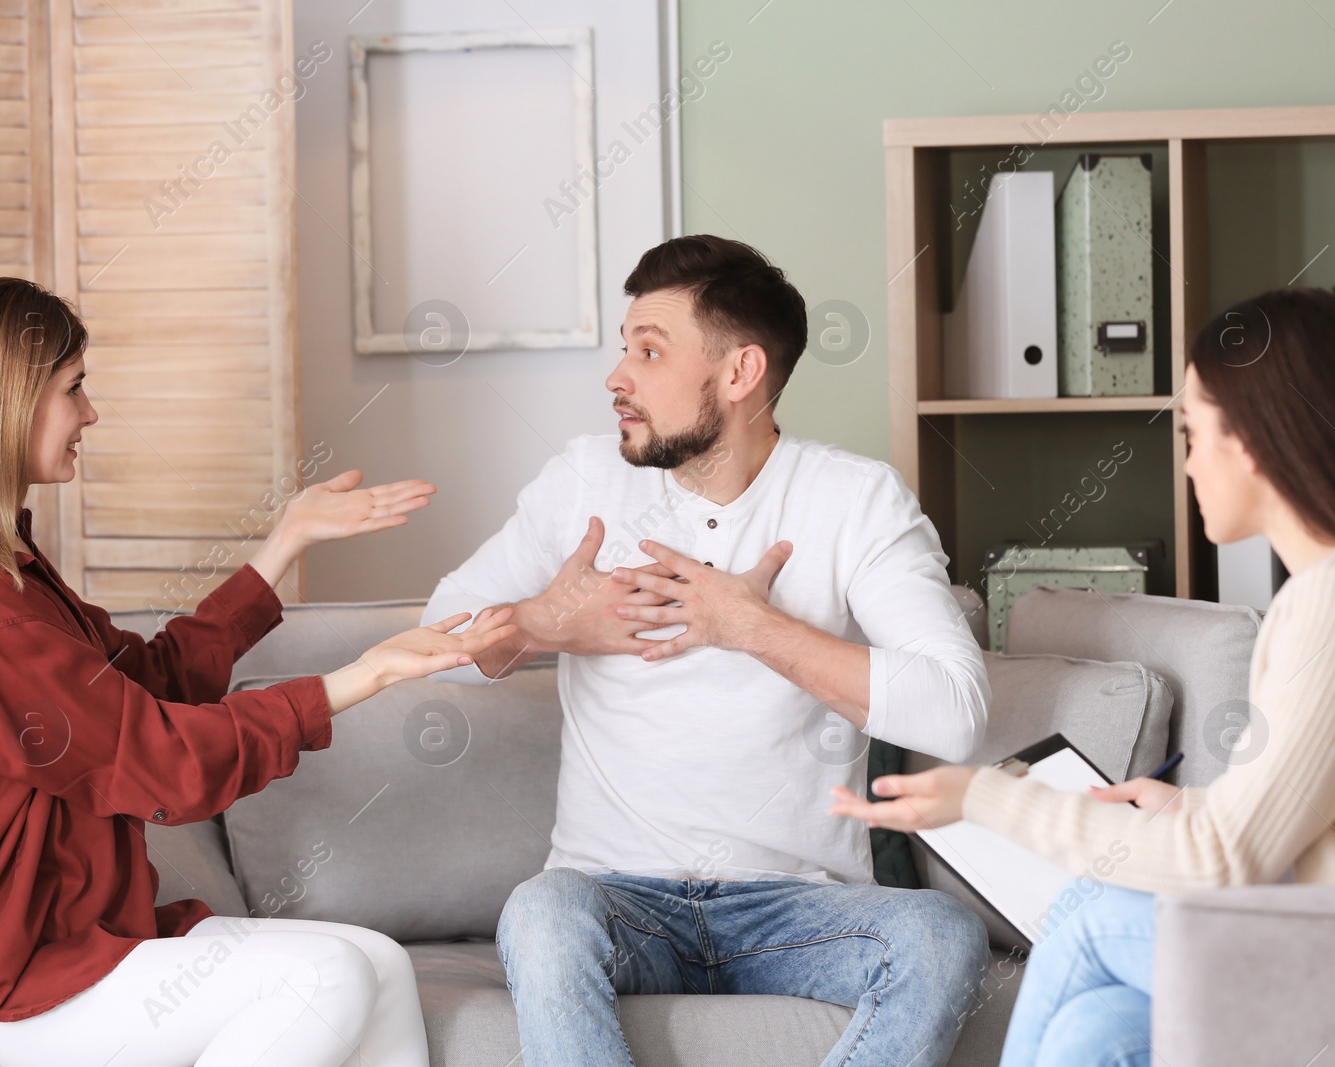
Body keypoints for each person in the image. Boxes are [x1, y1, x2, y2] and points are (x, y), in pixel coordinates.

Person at [0, 277, 517, 1067]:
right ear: (7, 402)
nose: (90, 413)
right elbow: (157, 755)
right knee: (329, 977)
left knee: (381, 961)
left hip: (85, 943)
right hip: (13, 977)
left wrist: (283, 544)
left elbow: (147, 681)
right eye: (74, 388)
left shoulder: (13, 576)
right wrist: (364, 674)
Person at [421, 235, 993, 1067]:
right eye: (624, 349)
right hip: (616, 899)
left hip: (797, 907)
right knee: (541, 913)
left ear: (738, 374)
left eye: (649, 351)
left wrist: (751, 625)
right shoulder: (585, 481)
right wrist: (547, 624)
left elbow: (956, 711)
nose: (616, 377)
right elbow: (434, 638)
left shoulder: (854, 498)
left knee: (941, 935)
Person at [831, 286, 1335, 1067]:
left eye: (1193, 433)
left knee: (1090, 916)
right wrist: (1189, 806)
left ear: (1253, 438)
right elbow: (1320, 807)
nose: (1186, 463)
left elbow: (1225, 859)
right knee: (1099, 1033)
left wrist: (980, 795)